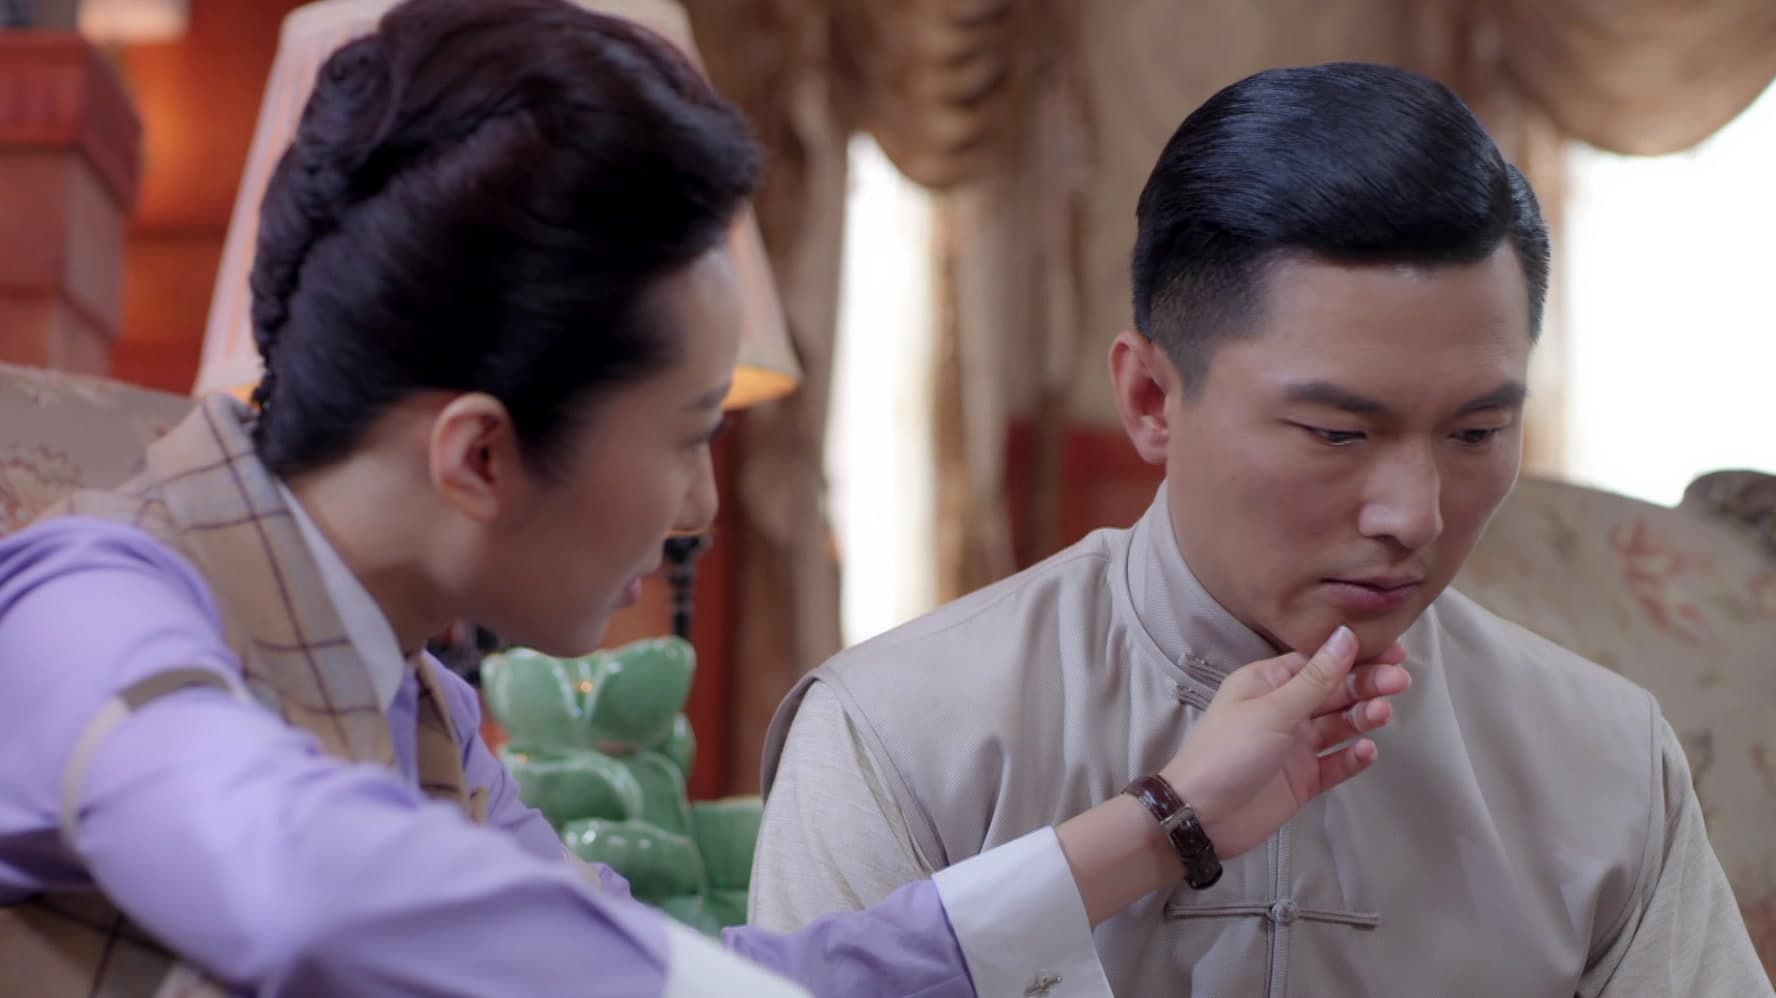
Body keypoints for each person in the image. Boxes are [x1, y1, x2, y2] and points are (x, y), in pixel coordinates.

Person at [0, 4, 1412, 996]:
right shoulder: (90, 602)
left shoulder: (415, 700)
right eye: (687, 434)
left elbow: (700, 972)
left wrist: (1168, 819)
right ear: (479, 455)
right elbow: (281, 864)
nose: (701, 509)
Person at [750, 61, 1775, 996]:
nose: (1414, 514)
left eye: (1476, 432)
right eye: (1337, 432)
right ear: (1151, 398)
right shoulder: (896, 734)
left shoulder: (1604, 759)